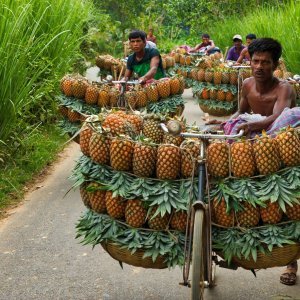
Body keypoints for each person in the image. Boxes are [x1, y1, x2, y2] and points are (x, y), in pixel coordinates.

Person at [207, 38, 299, 285]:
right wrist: (226, 121)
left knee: (287, 201)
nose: (259, 66)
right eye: (255, 61)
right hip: (250, 138)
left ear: (275, 64)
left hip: (277, 141)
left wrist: (252, 126)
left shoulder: (285, 89)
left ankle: (291, 261)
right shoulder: (247, 84)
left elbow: (280, 116)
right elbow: (240, 111)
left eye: (265, 62)